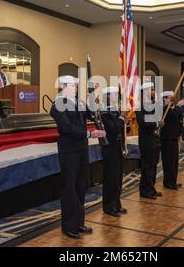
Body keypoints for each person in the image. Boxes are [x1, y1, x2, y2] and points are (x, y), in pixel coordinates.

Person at [50, 75, 106, 239]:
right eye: (73, 86)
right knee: (69, 188)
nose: (76, 88)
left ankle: (79, 222)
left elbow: (90, 114)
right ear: (63, 86)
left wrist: (91, 97)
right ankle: (68, 226)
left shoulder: (79, 103)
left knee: (81, 186)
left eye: (76, 86)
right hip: (69, 151)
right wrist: (90, 133)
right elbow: (67, 128)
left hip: (82, 149)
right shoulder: (57, 105)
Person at [100, 87, 128, 217]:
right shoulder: (105, 111)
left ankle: (116, 204)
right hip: (109, 148)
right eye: (115, 94)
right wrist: (122, 118)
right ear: (108, 96)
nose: (118, 96)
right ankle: (109, 207)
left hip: (117, 147)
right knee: (111, 178)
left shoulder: (114, 109)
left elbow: (121, 129)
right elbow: (113, 129)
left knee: (117, 178)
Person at [136, 82, 164, 199]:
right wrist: (157, 123)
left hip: (154, 139)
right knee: (147, 166)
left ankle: (151, 188)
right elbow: (142, 123)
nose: (154, 91)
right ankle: (145, 191)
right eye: (152, 89)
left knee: (153, 165)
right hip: (146, 140)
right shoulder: (140, 106)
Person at [160, 91, 184, 190]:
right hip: (166, 138)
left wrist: (178, 107)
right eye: (169, 98)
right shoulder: (163, 108)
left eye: (172, 98)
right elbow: (173, 114)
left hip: (174, 137)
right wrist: (178, 107)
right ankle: (168, 182)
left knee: (174, 161)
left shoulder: (173, 108)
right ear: (164, 99)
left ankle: (173, 180)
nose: (171, 100)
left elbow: (179, 116)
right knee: (168, 161)